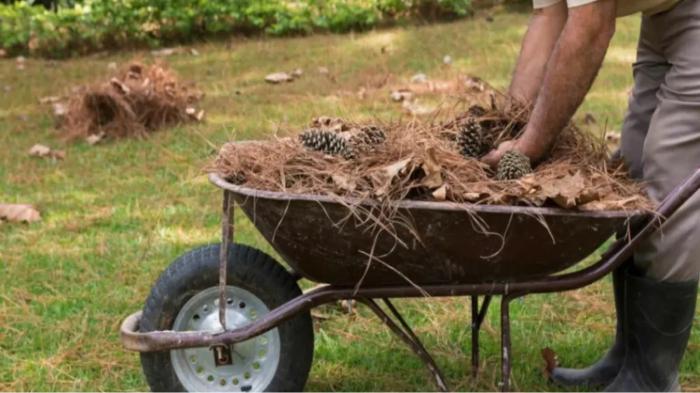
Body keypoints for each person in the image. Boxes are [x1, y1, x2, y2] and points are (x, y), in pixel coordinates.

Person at [481, 0, 700, 390]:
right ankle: (626, 358)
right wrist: (506, 126)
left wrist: (529, 145)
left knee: (669, 174)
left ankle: (652, 378)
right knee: (631, 168)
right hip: (666, 9)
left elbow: (590, 28)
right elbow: (549, 16)